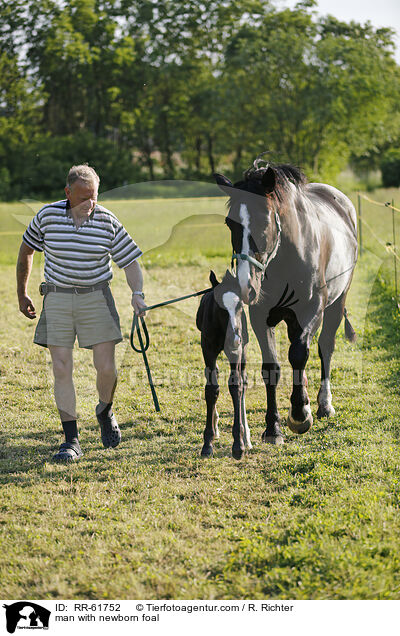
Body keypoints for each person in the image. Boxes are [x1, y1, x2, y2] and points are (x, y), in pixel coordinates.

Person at [16, 164, 147, 462]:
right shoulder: (47, 216)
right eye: (84, 197)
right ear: (67, 193)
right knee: (61, 369)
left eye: (95, 196)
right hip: (58, 299)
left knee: (107, 368)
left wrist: (137, 294)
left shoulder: (107, 220)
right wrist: (21, 292)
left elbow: (130, 262)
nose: (91, 203)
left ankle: (104, 408)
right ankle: (71, 440)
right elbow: (26, 249)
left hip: (97, 298)